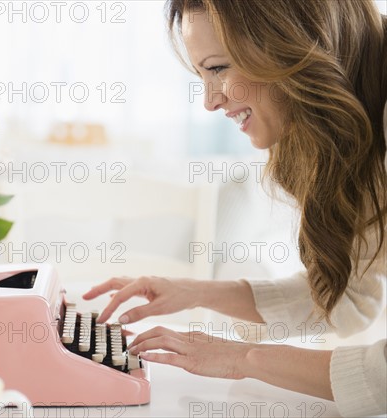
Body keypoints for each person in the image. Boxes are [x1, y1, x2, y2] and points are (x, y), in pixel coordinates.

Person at [83, 1, 387, 416]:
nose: (209, 101)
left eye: (218, 68)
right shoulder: (350, 129)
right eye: (201, 74)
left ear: (291, 41)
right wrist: (192, 293)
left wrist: (243, 359)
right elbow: (349, 296)